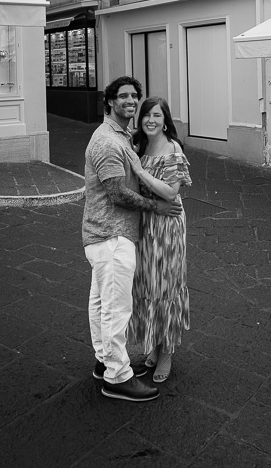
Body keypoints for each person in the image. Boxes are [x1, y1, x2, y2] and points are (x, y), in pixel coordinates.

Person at [82, 77, 183, 403]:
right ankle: (117, 376)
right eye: (123, 96)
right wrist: (157, 206)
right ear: (109, 102)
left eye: (134, 96)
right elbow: (117, 194)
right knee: (116, 307)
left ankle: (105, 360)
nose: (130, 101)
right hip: (111, 234)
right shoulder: (109, 142)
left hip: (115, 233)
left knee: (102, 302)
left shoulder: (124, 136)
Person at [127, 97, 192, 383]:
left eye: (157, 115)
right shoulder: (139, 145)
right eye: (146, 115)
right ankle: (153, 342)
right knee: (146, 284)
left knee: (165, 286)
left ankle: (167, 351)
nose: (151, 120)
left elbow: (170, 191)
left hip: (167, 226)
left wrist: (140, 171)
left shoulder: (172, 149)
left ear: (166, 120)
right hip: (145, 223)